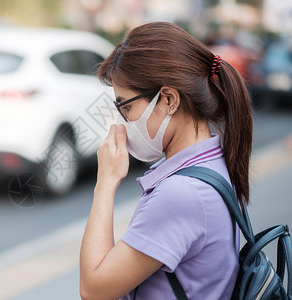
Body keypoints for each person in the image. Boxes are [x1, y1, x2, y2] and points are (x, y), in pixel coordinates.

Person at [79, 22, 252, 300]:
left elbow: (94, 290)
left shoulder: (181, 194)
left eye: (126, 107)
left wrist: (105, 184)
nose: (122, 121)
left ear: (169, 99)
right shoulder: (214, 161)